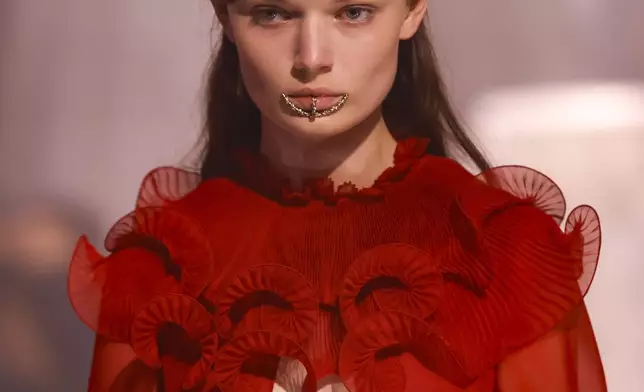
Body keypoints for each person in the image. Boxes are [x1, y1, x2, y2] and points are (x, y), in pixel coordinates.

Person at [67, 0, 607, 391]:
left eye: (353, 12)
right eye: (273, 13)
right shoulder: (157, 275)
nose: (312, 58)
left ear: (414, 10)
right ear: (224, 15)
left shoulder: (507, 258)